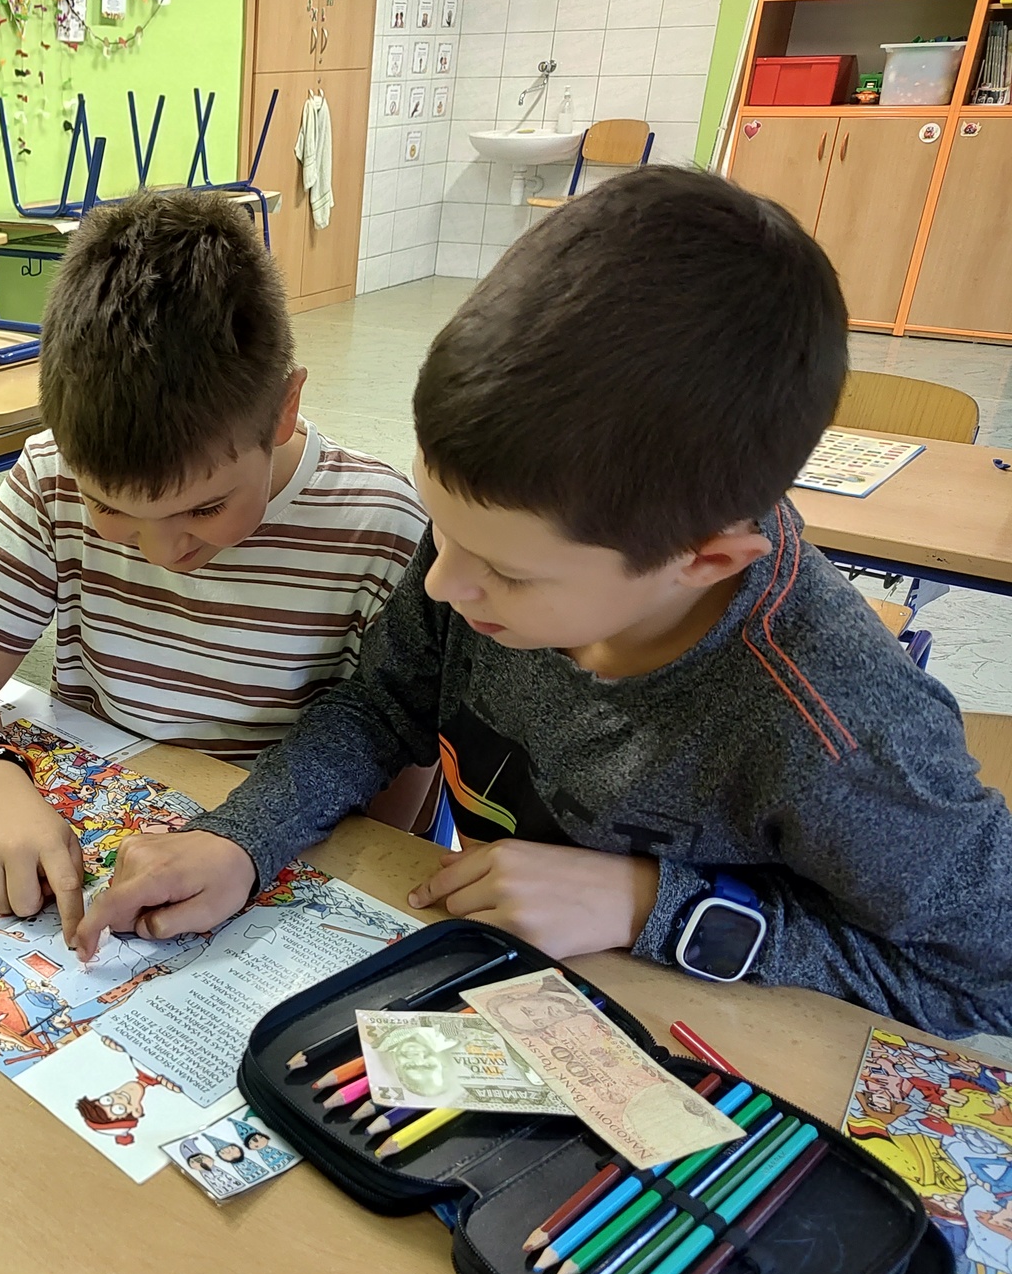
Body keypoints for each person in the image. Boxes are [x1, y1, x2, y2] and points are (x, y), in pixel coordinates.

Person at [75, 167, 1012, 1041]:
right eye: (442, 531)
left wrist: (653, 906)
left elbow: (987, 977)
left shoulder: (839, 731)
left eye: (507, 572)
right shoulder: (493, 539)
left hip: (697, 1050)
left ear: (703, 560)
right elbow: (381, 705)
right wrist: (244, 837)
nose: (442, 585)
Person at [0, 188, 428, 942]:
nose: (161, 551)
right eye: (109, 508)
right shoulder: (51, 476)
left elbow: (397, 758)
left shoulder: (381, 527)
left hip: (279, 852)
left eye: (205, 508)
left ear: (283, 409)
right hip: (115, 819)